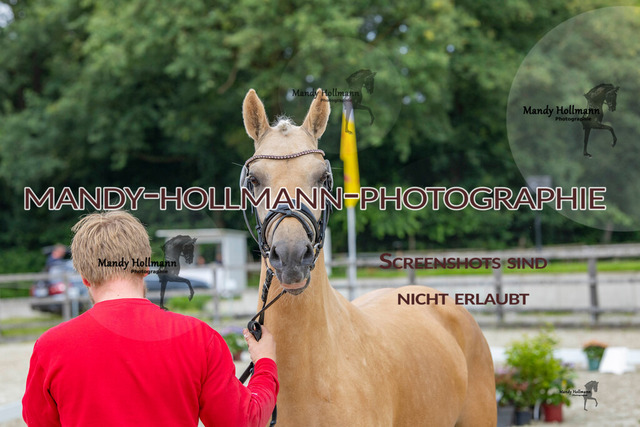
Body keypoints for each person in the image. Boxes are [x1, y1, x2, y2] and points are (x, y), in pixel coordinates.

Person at [23, 211, 278, 427]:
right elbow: (243, 421)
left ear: (85, 278)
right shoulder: (199, 338)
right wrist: (265, 363)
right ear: (145, 267)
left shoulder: (50, 347)